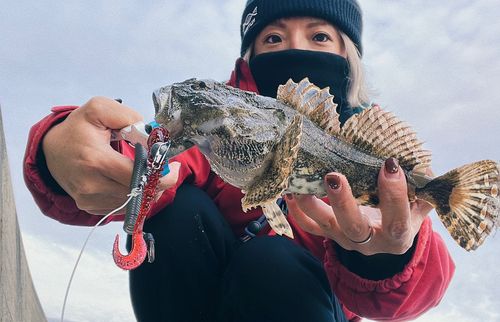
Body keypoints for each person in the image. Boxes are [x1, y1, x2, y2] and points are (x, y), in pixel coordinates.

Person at [24, 0, 455, 321]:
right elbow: (144, 152)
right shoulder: (215, 126)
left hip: (307, 303)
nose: (295, 47)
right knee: (178, 209)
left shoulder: (370, 156)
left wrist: (387, 255)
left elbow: (424, 280)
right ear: (249, 53)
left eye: (320, 35)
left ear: (349, 55)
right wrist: (59, 150)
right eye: (273, 36)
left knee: (272, 264)